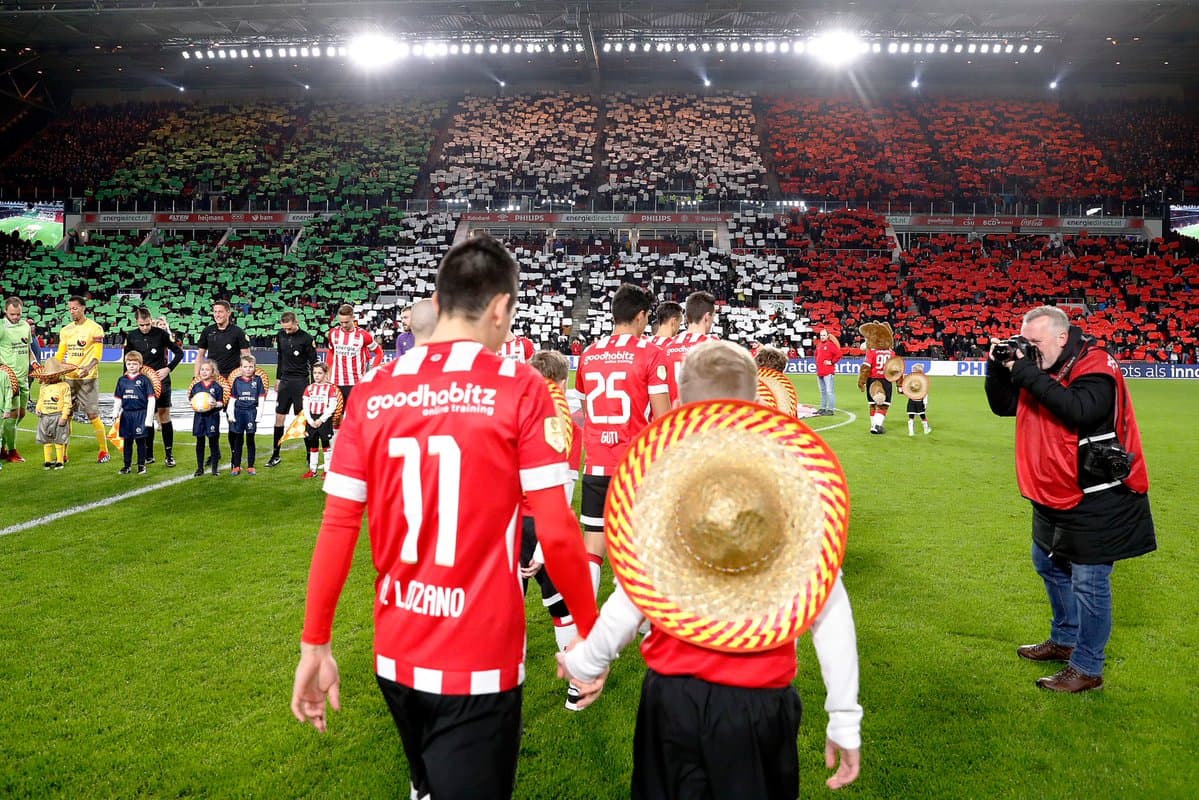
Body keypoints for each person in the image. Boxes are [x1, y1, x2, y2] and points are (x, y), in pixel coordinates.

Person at [291, 235, 599, 800]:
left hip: (397, 650)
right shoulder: (521, 385)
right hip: (479, 658)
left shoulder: (374, 389)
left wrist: (316, 646)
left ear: (441, 297)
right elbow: (555, 528)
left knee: (428, 781)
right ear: (502, 308)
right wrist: (588, 637)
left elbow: (338, 527)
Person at [558, 340, 862, 797]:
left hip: (673, 700)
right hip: (760, 701)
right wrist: (843, 716)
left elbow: (632, 596)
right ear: (757, 401)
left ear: (679, 403)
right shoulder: (788, 487)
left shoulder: (666, 486)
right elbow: (830, 608)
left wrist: (587, 660)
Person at [985, 305, 1156, 693]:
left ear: (1062, 337)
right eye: (1024, 342)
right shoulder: (1042, 366)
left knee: (1090, 582)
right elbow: (1003, 406)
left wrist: (1023, 370)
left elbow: (1079, 410)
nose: (1028, 350)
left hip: (1098, 494)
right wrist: (998, 368)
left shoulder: (1096, 364)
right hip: (1052, 489)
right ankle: (1064, 639)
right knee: (1046, 563)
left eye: (1035, 343)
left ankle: (1087, 668)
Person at [576, 283, 671, 595]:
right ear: (641, 316)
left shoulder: (589, 354)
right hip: (635, 465)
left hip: (597, 464)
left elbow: (586, 408)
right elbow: (662, 417)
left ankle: (588, 626)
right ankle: (640, 622)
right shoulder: (651, 353)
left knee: (594, 541)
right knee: (639, 542)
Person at [526, 348, 585, 710]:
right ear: (563, 382)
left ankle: (499, 693)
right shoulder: (567, 425)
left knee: (503, 610)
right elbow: (564, 487)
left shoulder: (513, 414)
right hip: (546, 524)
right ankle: (577, 684)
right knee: (562, 607)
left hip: (509, 523)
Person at [123, 307, 184, 467]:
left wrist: (168, 368)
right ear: (137, 322)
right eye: (142, 325)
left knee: (164, 416)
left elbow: (179, 353)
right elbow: (126, 360)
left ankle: (169, 455)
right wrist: (126, 380)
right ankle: (148, 454)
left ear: (151, 320)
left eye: (148, 324)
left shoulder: (161, 334)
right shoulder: (131, 336)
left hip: (161, 381)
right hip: (141, 383)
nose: (145, 327)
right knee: (146, 417)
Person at [56, 295, 110, 463]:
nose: (72, 311)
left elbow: (98, 354)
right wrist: (53, 370)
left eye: (75, 308)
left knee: (92, 414)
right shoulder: (65, 330)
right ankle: (63, 454)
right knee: (67, 414)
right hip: (69, 379)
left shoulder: (95, 328)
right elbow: (60, 354)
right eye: (70, 308)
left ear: (83, 308)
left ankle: (103, 451)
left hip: (88, 379)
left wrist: (88, 367)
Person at [194, 300, 251, 457]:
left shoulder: (238, 332)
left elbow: (246, 356)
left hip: (233, 380)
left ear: (228, 312)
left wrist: (248, 377)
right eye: (215, 312)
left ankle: (235, 453)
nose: (217, 315)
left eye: (220, 311)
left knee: (232, 417)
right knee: (211, 416)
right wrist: (196, 377)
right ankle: (214, 453)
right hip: (214, 380)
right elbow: (200, 356)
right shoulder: (207, 331)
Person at [268, 311, 317, 468]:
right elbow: (280, 358)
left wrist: (313, 385)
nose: (287, 331)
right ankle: (275, 454)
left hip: (301, 382)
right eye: (285, 328)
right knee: (279, 418)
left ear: (296, 323)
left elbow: (314, 362)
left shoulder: (306, 338)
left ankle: (310, 455)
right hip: (285, 382)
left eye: (289, 328)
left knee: (302, 419)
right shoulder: (280, 336)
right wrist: (278, 378)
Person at [662, 291, 718, 404]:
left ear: (687, 317)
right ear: (707, 317)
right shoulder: (714, 346)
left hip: (672, 417)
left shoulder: (667, 346)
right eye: (713, 317)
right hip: (699, 418)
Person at [325, 303, 383, 406]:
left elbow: (379, 352)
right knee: (337, 416)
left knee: (356, 415)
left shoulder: (363, 335)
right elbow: (331, 352)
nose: (344, 325)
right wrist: (328, 373)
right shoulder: (333, 333)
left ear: (353, 318)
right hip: (336, 382)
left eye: (346, 322)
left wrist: (373, 370)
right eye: (341, 322)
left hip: (356, 383)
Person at [1, 296, 36, 462]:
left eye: (18, 314)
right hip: (9, 379)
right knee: (13, 414)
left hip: (23, 378)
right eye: (12, 314)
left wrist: (35, 363)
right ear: (5, 311)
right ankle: (12, 451)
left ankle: (2, 442)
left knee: (21, 413)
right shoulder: (1, 327)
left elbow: (27, 348)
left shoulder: (25, 327)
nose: (15, 317)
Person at [111, 351, 156, 475]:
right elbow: (118, 398)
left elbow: (151, 399)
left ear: (140, 365)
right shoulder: (122, 380)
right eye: (129, 363)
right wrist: (115, 412)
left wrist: (149, 418)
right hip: (127, 415)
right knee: (127, 441)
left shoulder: (144, 380)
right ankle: (127, 465)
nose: (131, 366)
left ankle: (142, 465)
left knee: (140, 441)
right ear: (125, 364)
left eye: (134, 364)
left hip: (140, 414)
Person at [226, 354, 267, 476]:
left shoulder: (258, 380)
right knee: (238, 440)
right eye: (245, 366)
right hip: (239, 413)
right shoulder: (237, 381)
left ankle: (250, 466)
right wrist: (230, 413)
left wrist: (259, 415)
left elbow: (261, 398)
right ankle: (236, 466)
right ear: (240, 368)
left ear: (254, 367)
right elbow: (232, 399)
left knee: (250, 439)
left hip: (251, 412)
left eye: (250, 366)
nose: (248, 369)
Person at [300, 362, 340, 480]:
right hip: (312, 419)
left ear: (325, 374)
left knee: (326, 445)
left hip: (324, 420)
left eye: (319, 373)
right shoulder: (309, 388)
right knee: (313, 445)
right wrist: (310, 420)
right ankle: (313, 470)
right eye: (315, 373)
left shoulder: (330, 388)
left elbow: (332, 406)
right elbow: (305, 406)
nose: (316, 375)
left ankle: (327, 471)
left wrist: (321, 420)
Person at [34, 358, 72, 469]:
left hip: (58, 416)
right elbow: (41, 399)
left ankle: (60, 460)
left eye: (53, 374)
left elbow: (67, 403)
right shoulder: (44, 387)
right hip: (45, 417)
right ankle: (47, 460)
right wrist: (38, 407)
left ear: (59, 374)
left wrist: (64, 416)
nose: (50, 376)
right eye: (49, 374)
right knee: (46, 439)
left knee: (59, 439)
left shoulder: (64, 386)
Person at [189, 359, 225, 477]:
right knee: (200, 442)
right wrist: (193, 404)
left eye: (207, 370)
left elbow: (221, 403)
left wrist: (216, 404)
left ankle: (215, 469)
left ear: (213, 372)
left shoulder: (217, 387)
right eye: (202, 369)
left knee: (213, 442)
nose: (204, 372)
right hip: (199, 418)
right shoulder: (196, 387)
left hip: (212, 417)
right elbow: (191, 400)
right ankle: (200, 468)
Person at [814, 328, 843, 416]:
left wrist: (831, 362)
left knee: (829, 391)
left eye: (824, 335)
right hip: (820, 372)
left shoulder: (830, 345)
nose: (822, 337)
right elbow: (816, 355)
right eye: (821, 335)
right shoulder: (819, 345)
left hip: (828, 372)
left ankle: (830, 409)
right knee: (823, 391)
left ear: (827, 336)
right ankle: (823, 408)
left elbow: (839, 354)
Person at [902, 364, 932, 436]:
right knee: (922, 416)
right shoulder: (923, 381)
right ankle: (926, 430)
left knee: (911, 417)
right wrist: (925, 403)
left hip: (911, 400)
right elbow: (925, 393)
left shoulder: (911, 380)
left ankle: (911, 432)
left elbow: (905, 389)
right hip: (920, 401)